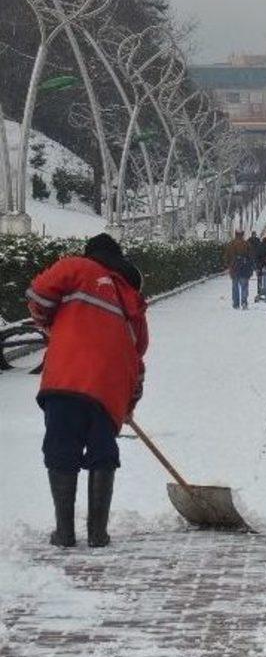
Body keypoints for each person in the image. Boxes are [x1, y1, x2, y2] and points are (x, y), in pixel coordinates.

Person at [26, 233, 148, 548]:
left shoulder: (76, 268)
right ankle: (98, 534)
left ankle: (65, 533)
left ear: (91, 253)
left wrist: (51, 321)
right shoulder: (131, 297)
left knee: (61, 449)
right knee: (102, 452)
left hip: (66, 378)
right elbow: (138, 353)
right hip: (109, 390)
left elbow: (38, 296)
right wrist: (129, 400)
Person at [225, 230, 254, 309]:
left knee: (235, 287)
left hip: (234, 268)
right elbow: (251, 257)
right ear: (243, 235)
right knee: (244, 286)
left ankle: (236, 303)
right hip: (244, 269)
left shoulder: (230, 244)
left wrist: (229, 266)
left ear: (235, 235)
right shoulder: (247, 244)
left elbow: (227, 257)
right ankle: (244, 302)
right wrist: (251, 268)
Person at [247, 230, 263, 300]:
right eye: (253, 234)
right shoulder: (250, 240)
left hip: (255, 255)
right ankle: (253, 273)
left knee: (255, 265)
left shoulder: (256, 240)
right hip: (252, 255)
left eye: (254, 234)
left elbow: (259, 247)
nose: (254, 235)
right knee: (252, 265)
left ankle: (255, 272)